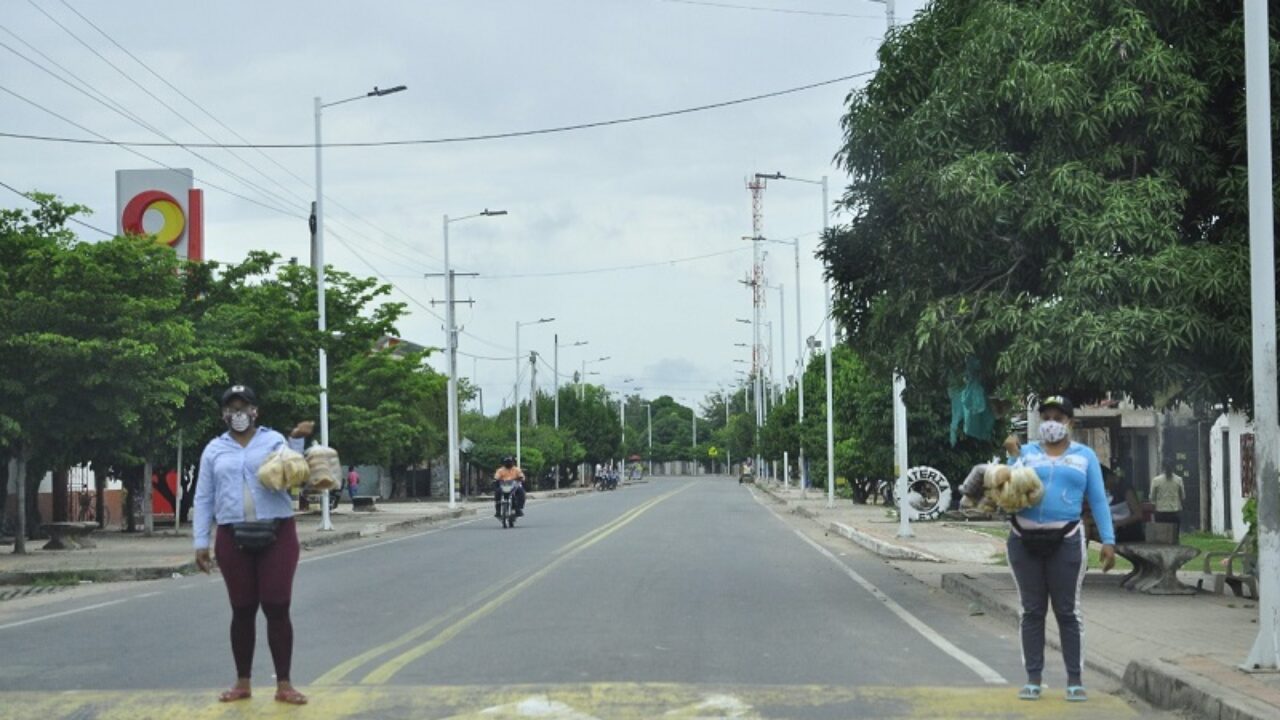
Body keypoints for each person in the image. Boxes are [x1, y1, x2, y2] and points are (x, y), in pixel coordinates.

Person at [193, 385, 312, 706]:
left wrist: (296, 441)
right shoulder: (214, 450)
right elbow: (204, 497)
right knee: (242, 609)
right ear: (223, 415)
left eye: (243, 408)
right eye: (231, 409)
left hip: (277, 532)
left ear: (255, 411)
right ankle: (242, 682)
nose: (238, 414)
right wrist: (200, 542)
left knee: (276, 605)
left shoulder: (272, 441)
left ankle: (284, 684)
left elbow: (294, 469)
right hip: (232, 536)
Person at [1007, 395, 1115, 703]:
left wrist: (1108, 541)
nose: (1051, 422)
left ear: (1070, 422)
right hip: (1023, 539)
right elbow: (1006, 489)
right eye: (1046, 417)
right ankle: (1033, 679)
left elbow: (1097, 500)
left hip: (1066, 540)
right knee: (1031, 610)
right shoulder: (1025, 452)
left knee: (1067, 611)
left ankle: (1074, 680)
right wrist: (1013, 457)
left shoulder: (1085, 456)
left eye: (1058, 416)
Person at [1150, 461, 1185, 529]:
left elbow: (1152, 498)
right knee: (1174, 535)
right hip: (1174, 513)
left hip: (1160, 513)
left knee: (1161, 535)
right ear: (1173, 468)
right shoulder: (1179, 480)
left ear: (1162, 467)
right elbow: (1183, 497)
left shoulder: (1156, 480)